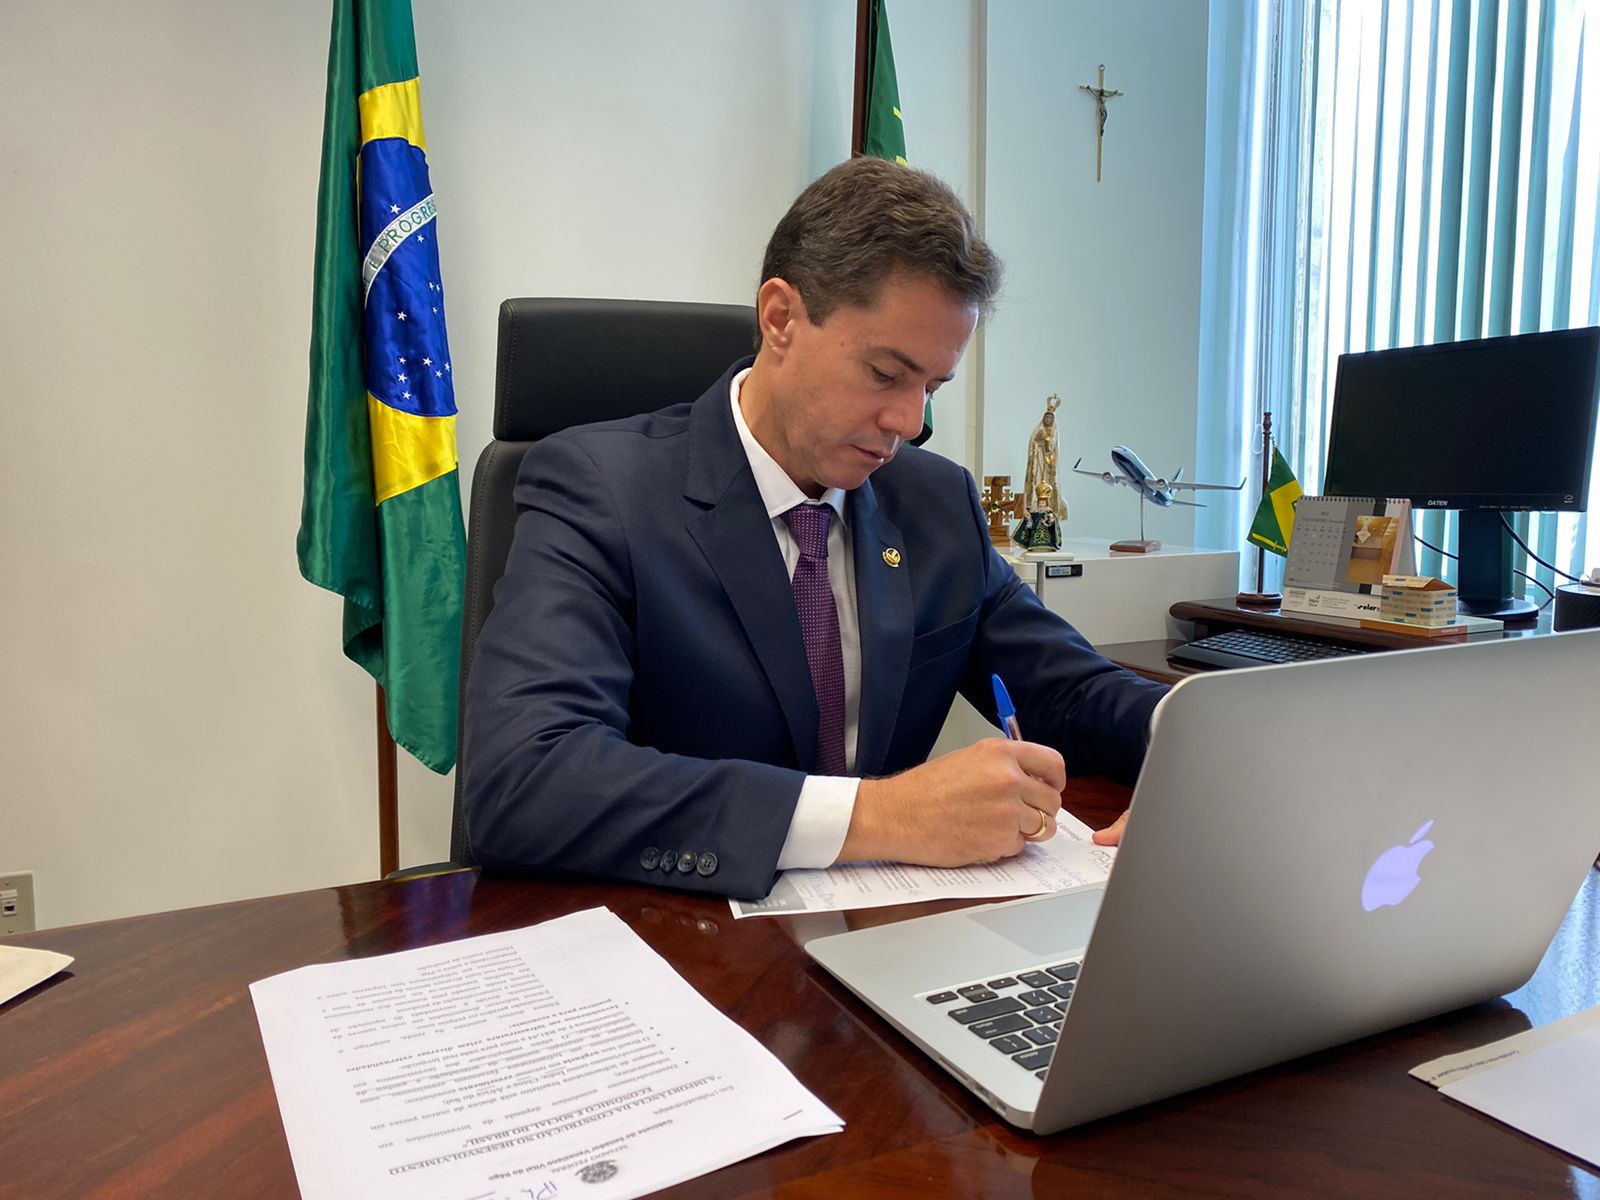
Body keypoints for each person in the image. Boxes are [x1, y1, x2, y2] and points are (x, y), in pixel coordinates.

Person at [462, 157, 1165, 899]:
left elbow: (1074, 693)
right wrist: (884, 815)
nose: (911, 422)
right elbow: (524, 779)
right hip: (674, 932)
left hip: (877, 931)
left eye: (932, 386)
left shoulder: (934, 503)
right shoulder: (600, 488)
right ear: (780, 318)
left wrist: (1204, 750)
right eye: (886, 373)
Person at [1022, 395, 1067, 522]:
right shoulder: (1038, 429)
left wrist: (1045, 440)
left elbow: (1052, 446)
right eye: (1046, 417)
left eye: (1050, 417)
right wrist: (1037, 442)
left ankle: (1051, 509)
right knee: (1036, 480)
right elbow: (1033, 442)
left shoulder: (1054, 431)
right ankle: (1034, 506)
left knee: (1051, 484)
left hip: (1050, 465)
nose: (1048, 419)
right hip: (1039, 461)